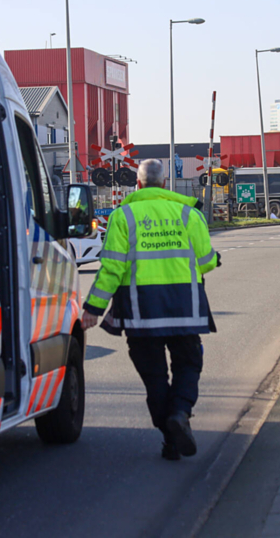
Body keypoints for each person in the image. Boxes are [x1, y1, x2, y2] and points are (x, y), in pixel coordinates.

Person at [81, 159, 220, 460]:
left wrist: (93, 307)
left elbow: (112, 269)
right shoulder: (188, 213)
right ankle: (180, 413)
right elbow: (207, 260)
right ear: (165, 184)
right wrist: (214, 258)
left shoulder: (123, 216)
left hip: (141, 311)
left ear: (139, 184)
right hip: (185, 307)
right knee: (188, 365)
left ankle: (170, 437)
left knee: (155, 377)